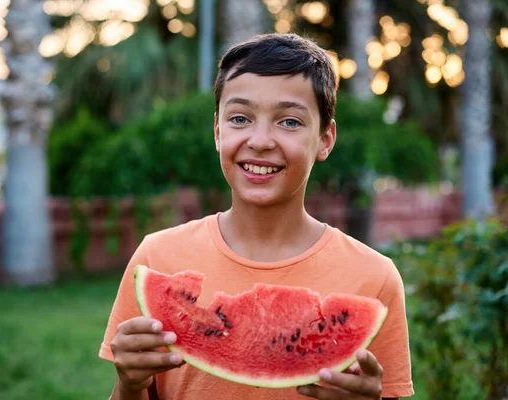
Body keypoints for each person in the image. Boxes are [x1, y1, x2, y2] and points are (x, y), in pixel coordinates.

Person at [98, 33, 414, 400]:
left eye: (290, 122)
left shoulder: (374, 279)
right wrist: (128, 384)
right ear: (218, 131)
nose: (260, 140)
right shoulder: (158, 258)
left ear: (325, 139)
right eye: (240, 118)